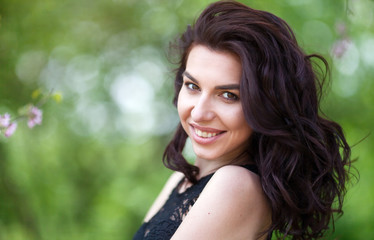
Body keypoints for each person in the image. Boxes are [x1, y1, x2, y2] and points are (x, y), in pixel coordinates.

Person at [133, 1, 352, 239]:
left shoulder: (236, 185)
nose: (198, 113)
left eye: (228, 95)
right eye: (192, 86)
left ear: (266, 106)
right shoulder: (183, 178)